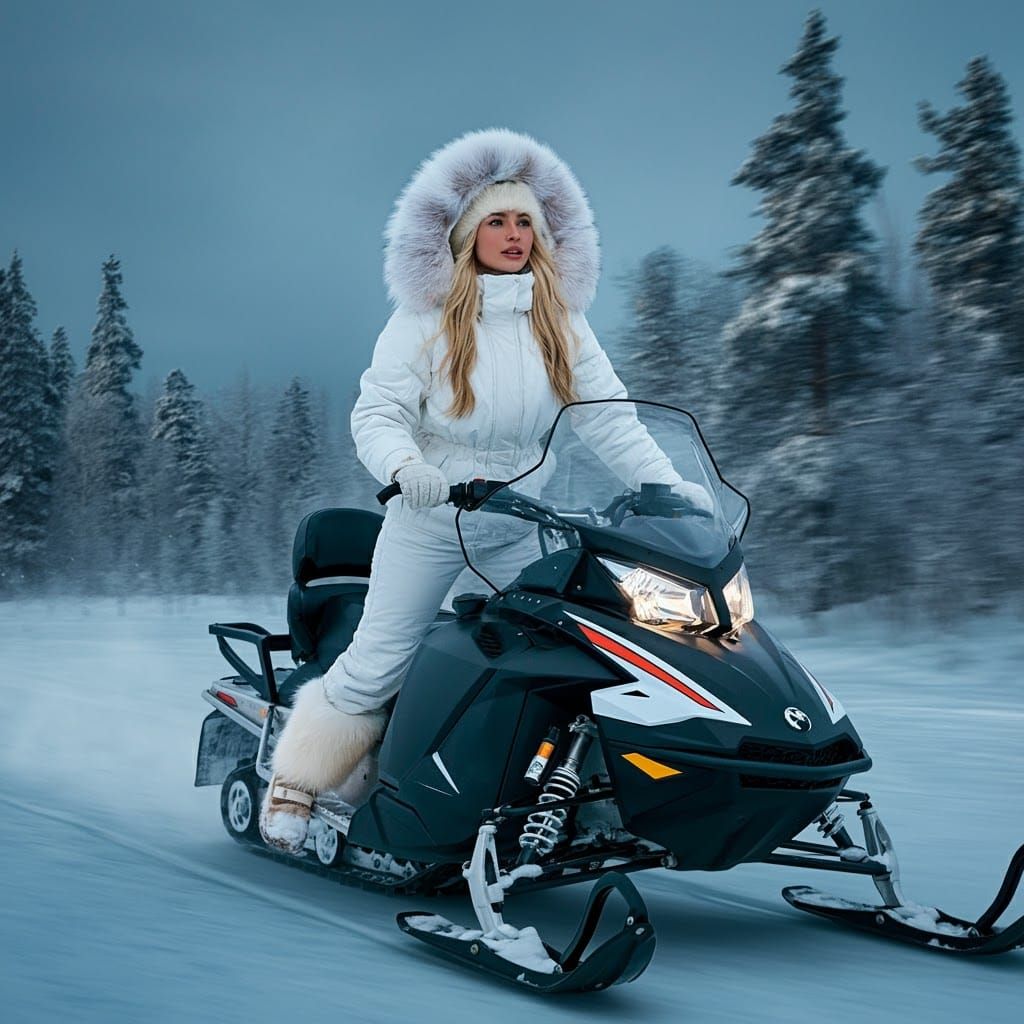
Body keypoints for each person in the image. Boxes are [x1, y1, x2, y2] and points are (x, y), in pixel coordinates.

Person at [259, 128, 709, 853]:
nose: (512, 234)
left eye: (524, 220)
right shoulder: (426, 320)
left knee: (575, 652)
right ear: (467, 234)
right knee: (383, 657)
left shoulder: (560, 321)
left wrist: (669, 488)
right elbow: (376, 414)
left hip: (522, 524)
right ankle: (297, 783)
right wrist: (409, 470)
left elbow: (610, 420)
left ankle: (547, 791)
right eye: (496, 220)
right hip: (434, 516)